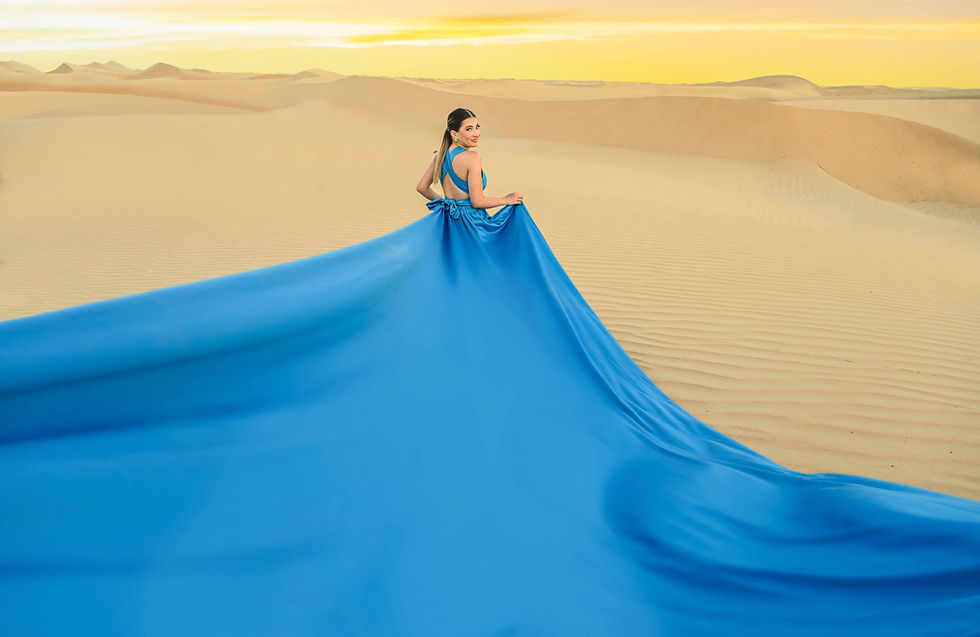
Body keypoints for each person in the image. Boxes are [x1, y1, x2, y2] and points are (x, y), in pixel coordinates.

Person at [0, 106, 978, 636]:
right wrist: (492, 198)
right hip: (472, 244)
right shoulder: (467, 163)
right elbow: (455, 195)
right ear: (461, 135)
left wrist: (453, 205)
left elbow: (422, 194)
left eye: (472, 139)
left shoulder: (440, 164)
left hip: (452, 242)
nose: (472, 143)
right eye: (469, 135)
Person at [415, 107, 523, 219]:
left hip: (448, 220)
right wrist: (505, 200)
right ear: (454, 134)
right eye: (469, 129)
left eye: (477, 127)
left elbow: (422, 187)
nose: (476, 133)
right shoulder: (472, 158)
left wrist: (446, 201)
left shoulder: (440, 157)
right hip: (472, 223)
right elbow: (478, 202)